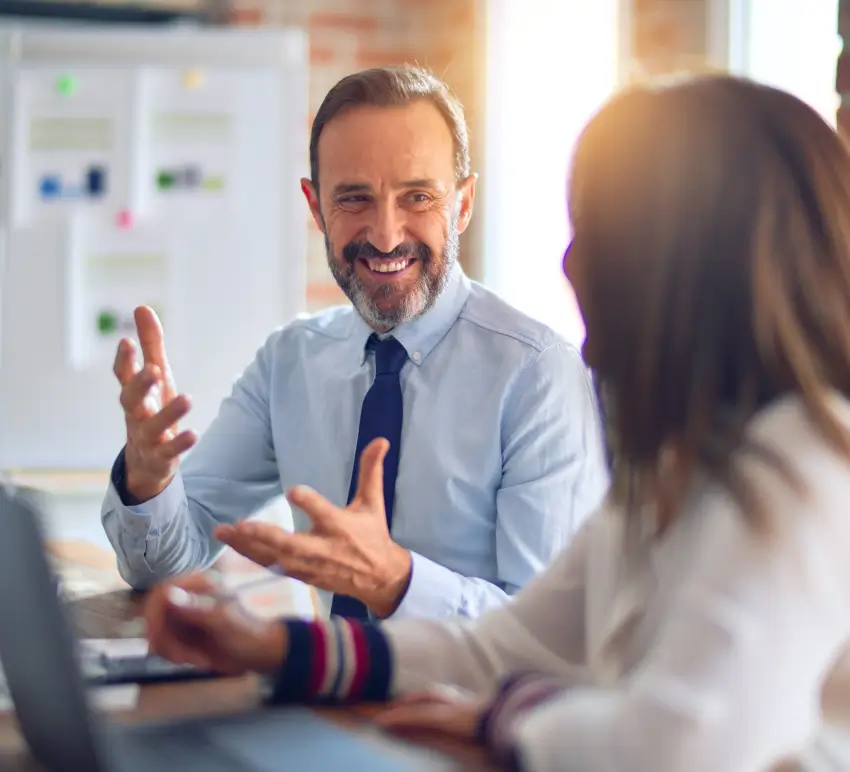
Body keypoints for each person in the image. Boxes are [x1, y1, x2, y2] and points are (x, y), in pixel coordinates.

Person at [143, 74, 850, 772]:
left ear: (703, 267)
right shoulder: (673, 470)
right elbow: (503, 647)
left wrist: (505, 722)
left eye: (602, 235)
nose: (571, 261)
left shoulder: (799, 468)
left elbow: (680, 748)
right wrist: (270, 648)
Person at [101, 65, 609, 620]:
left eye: (417, 197)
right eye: (354, 199)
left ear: (462, 204)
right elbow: (167, 566)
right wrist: (148, 483)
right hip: (326, 695)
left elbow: (551, 632)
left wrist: (398, 584)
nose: (386, 235)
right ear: (316, 207)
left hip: (470, 705)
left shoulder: (537, 374)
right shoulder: (288, 364)